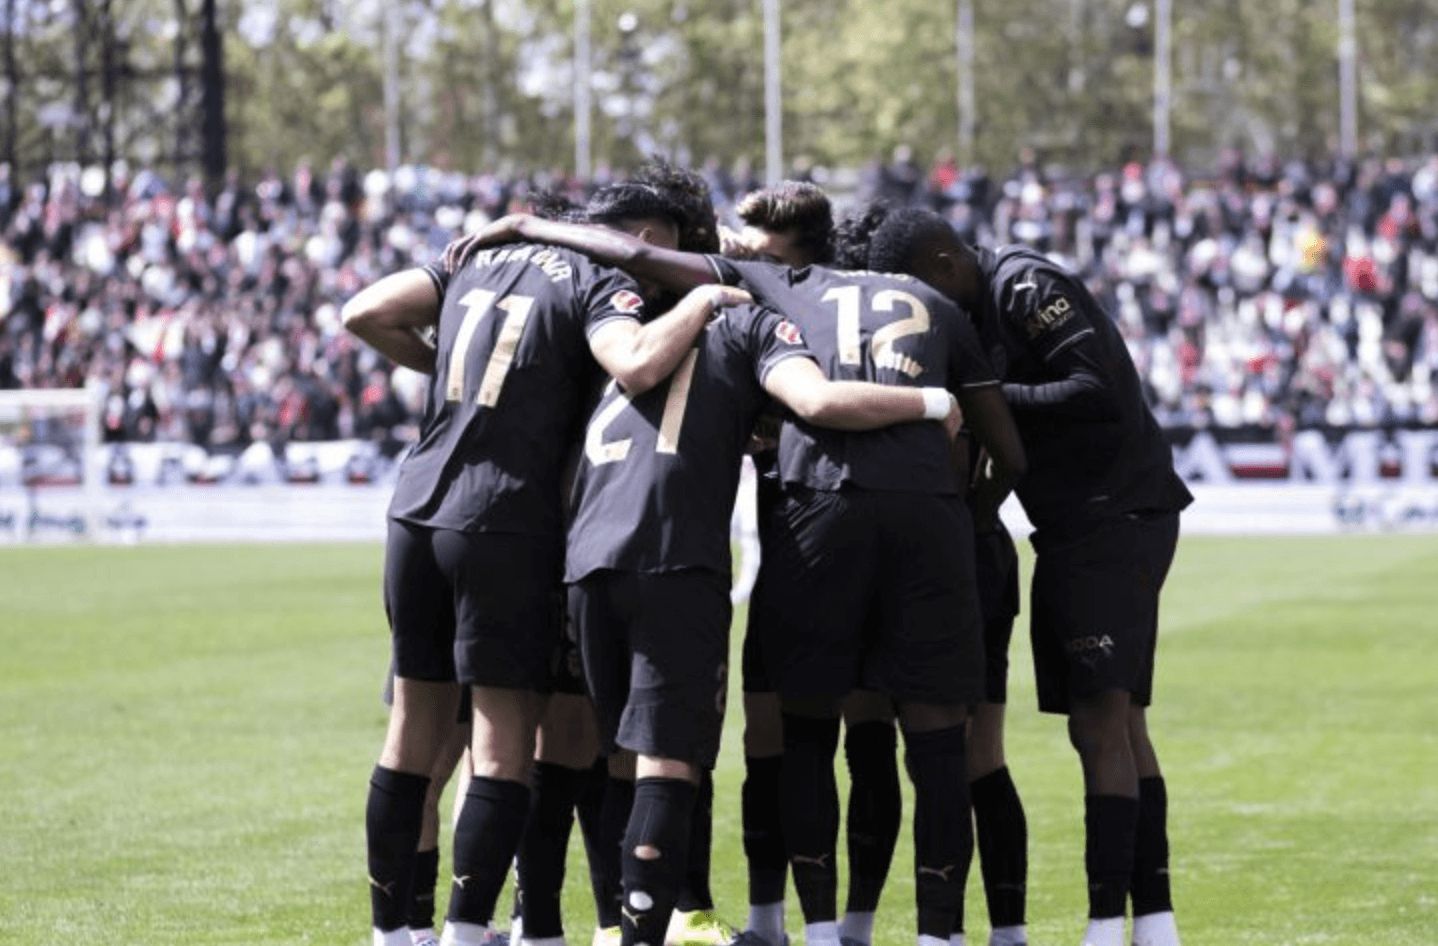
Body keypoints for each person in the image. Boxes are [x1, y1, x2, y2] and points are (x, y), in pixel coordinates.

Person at [443, 212, 1027, 946]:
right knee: (934, 742)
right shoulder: (928, 303)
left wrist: (532, 225)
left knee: (788, 735)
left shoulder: (775, 288)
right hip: (913, 520)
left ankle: (801, 933)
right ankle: (939, 937)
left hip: (751, 525)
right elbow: (1005, 451)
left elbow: (633, 255)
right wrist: (956, 483)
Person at [345, 183, 731, 946]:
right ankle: (466, 933)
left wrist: (443, 370)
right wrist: (705, 300)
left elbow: (364, 311)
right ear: (644, 235)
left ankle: (394, 934)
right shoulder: (600, 277)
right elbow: (634, 363)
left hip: (414, 508)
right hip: (505, 520)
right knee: (502, 747)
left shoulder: (475, 259)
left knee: (411, 736)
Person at [834, 205, 1192, 946]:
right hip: (1076, 524)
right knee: (1119, 721)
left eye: (919, 289)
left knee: (1099, 720)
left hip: (1113, 514)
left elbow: (1096, 387)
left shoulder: (1024, 286)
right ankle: (1154, 924)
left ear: (943, 264)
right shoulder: (977, 304)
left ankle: (1106, 928)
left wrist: (984, 399)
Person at [726, 181, 903, 946]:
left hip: (846, 546)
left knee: (863, 740)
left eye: (763, 255)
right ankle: (768, 922)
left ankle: (851, 927)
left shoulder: (827, 314)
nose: (748, 266)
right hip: (783, 554)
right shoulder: (755, 314)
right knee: (767, 744)